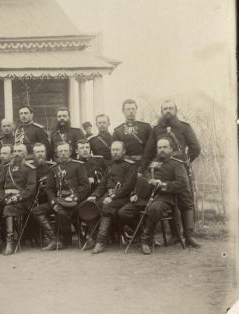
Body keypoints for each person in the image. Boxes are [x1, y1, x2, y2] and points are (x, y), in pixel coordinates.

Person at [139, 100, 201, 248]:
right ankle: (174, 235)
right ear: (161, 112)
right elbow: (149, 151)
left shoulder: (184, 127)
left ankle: (189, 236)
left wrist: (185, 161)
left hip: (179, 168)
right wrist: (141, 170)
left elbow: (195, 148)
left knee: (186, 201)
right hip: (163, 170)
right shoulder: (156, 130)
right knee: (168, 199)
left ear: (175, 110)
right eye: (165, 108)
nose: (168, 111)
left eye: (170, 108)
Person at [118, 136, 189, 254]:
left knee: (154, 209)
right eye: (159, 147)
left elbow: (182, 183)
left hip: (165, 197)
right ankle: (144, 234)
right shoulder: (153, 163)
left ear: (171, 149)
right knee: (123, 212)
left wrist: (163, 184)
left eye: (165, 147)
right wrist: (135, 193)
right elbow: (143, 179)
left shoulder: (177, 164)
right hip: (147, 196)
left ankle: (145, 241)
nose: (162, 150)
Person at [31, 142, 89, 250]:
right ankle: (55, 239)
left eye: (65, 151)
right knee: (37, 211)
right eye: (60, 151)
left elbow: (85, 185)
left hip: (73, 201)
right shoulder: (54, 168)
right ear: (57, 153)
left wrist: (75, 197)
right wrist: (53, 202)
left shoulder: (78, 166)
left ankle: (66, 239)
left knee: (61, 212)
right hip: (58, 200)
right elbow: (49, 189)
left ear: (70, 152)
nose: (63, 153)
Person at [85, 141, 137, 254]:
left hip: (123, 198)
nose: (115, 152)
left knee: (106, 207)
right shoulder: (110, 165)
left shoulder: (130, 166)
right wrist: (94, 196)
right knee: (89, 206)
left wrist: (112, 197)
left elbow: (127, 187)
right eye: (113, 150)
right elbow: (103, 185)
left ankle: (100, 242)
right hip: (108, 196)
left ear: (124, 151)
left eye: (117, 150)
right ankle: (93, 237)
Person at [0, 143, 36, 256]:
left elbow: (30, 188)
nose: (17, 154)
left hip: (22, 201)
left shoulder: (29, 168)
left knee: (8, 209)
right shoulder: (6, 167)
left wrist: (17, 197)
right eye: (15, 151)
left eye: (20, 151)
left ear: (25, 153)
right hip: (5, 199)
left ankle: (10, 242)